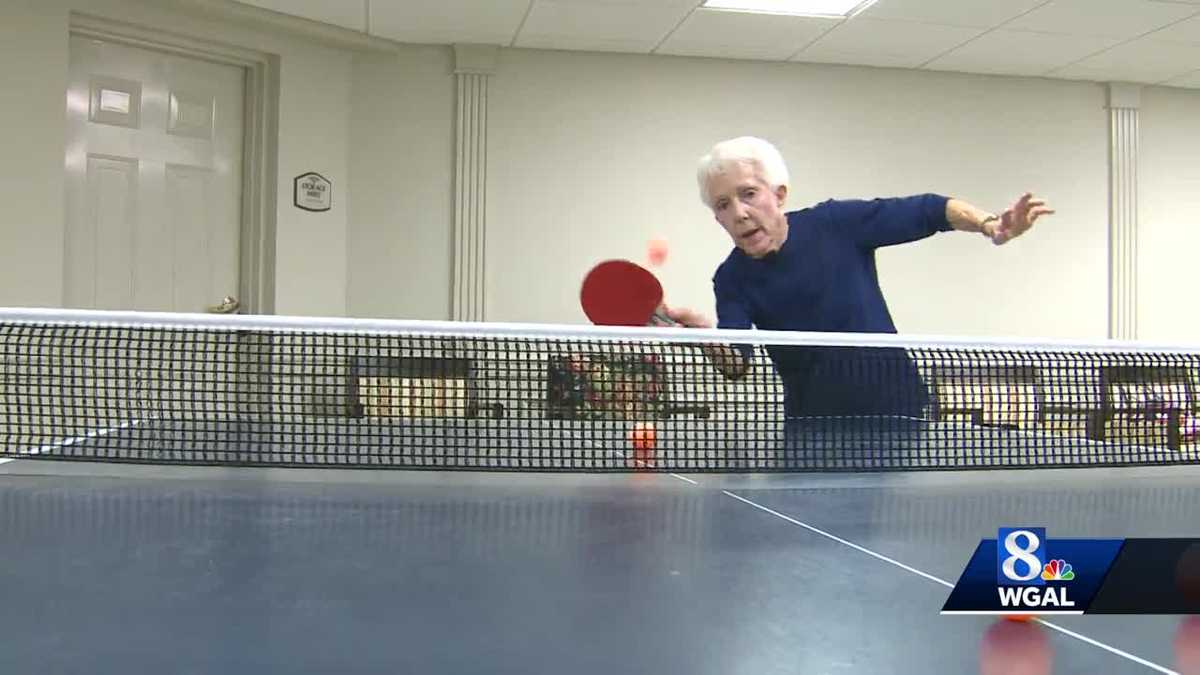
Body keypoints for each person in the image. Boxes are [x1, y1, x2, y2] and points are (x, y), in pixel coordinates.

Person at [664, 136, 1054, 420]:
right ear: (717, 218)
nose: (739, 212)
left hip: (901, 414)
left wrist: (990, 225)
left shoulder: (836, 224)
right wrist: (703, 334)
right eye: (723, 204)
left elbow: (930, 211)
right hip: (813, 427)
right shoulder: (732, 278)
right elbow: (737, 364)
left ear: (779, 194)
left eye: (748, 193)